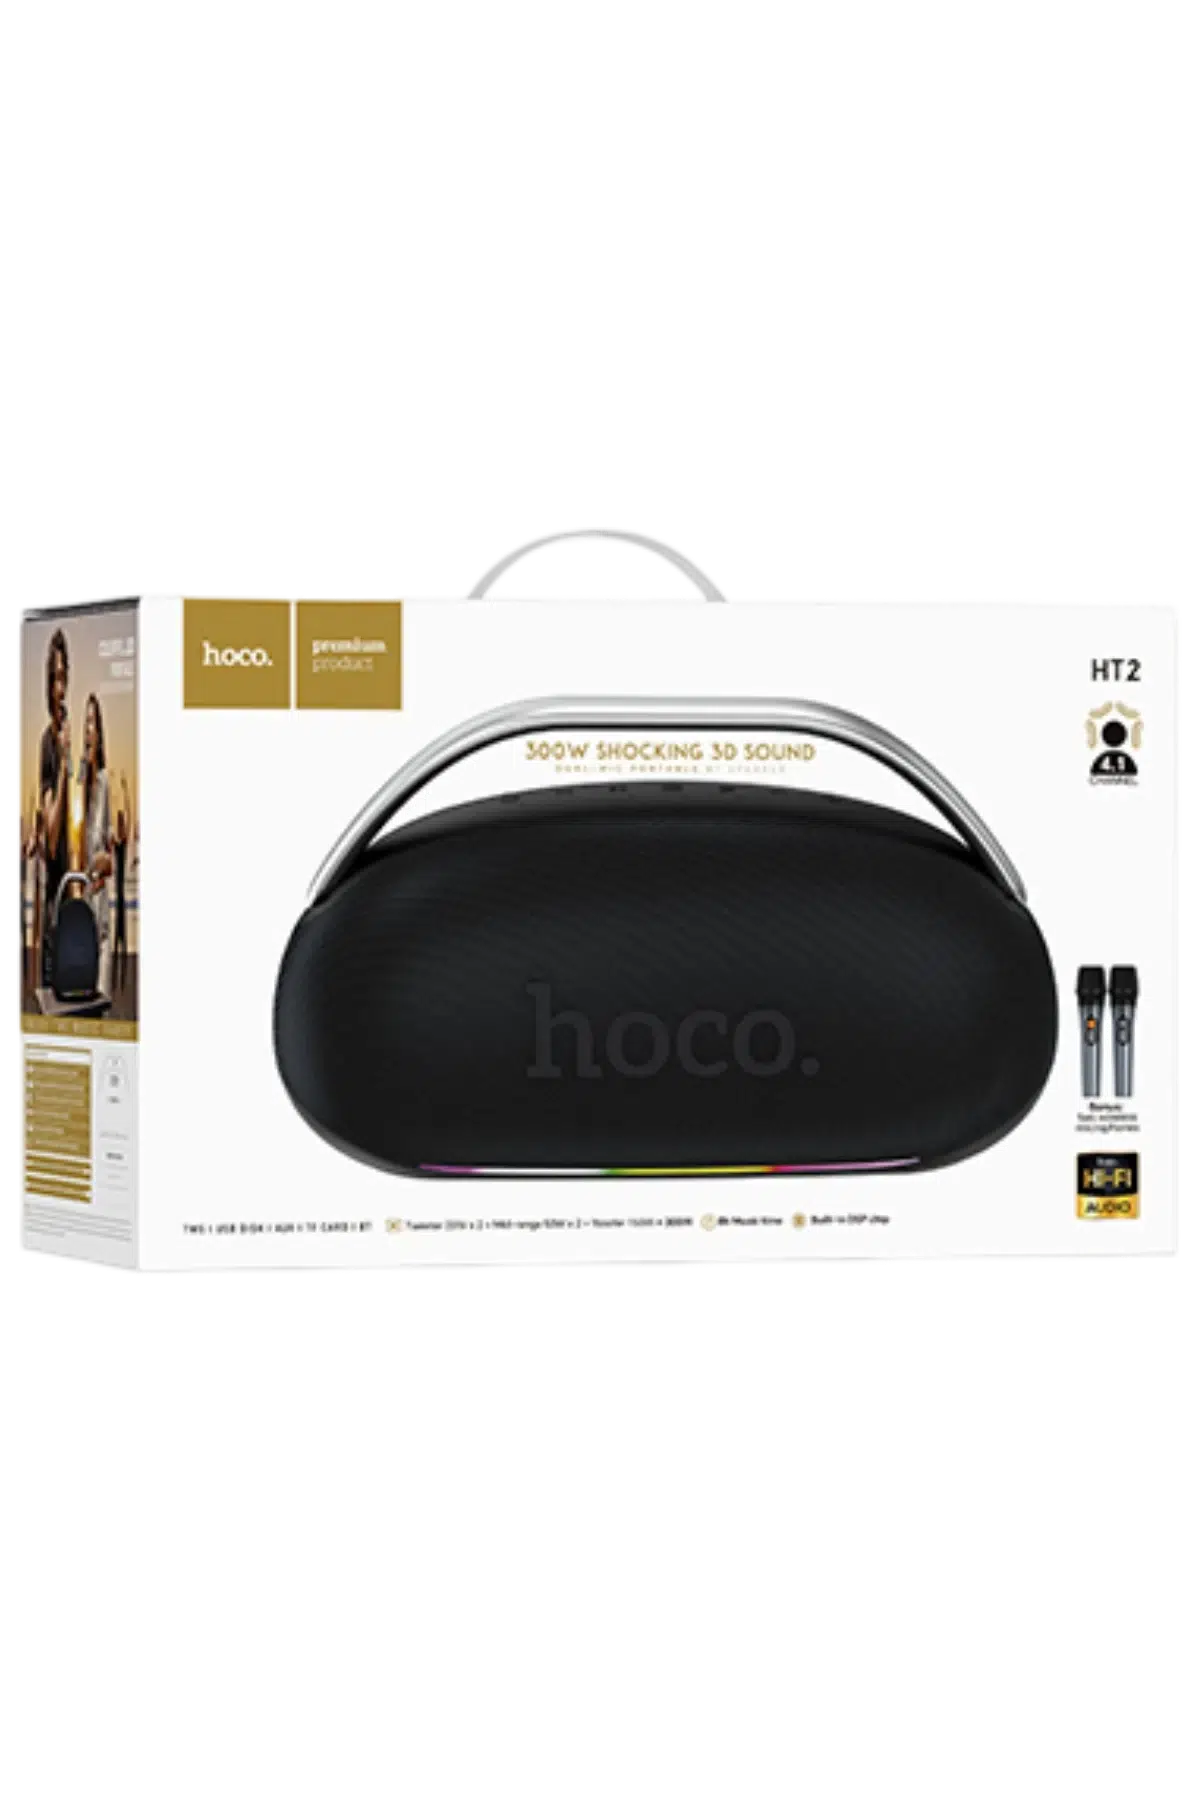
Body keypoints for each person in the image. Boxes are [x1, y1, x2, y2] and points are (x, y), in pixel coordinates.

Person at [38, 628, 71, 985]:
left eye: (64, 678)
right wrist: (62, 767)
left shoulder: (72, 736)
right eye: (55, 679)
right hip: (55, 900)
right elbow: (49, 835)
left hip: (76, 895)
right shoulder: (49, 743)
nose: (61, 688)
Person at [81, 694, 113, 993]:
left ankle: (102, 997)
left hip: (99, 887)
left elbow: (110, 844)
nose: (88, 730)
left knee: (102, 940)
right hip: (80, 885)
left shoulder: (104, 781)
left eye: (93, 723)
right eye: (85, 724)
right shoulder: (80, 781)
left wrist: (105, 862)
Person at [113, 773, 132, 990]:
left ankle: (124, 977)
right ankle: (117, 978)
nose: (119, 826)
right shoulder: (116, 843)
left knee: (124, 942)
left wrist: (126, 792)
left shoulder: (124, 843)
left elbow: (129, 815)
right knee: (116, 945)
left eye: (121, 823)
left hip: (122, 899)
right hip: (117, 899)